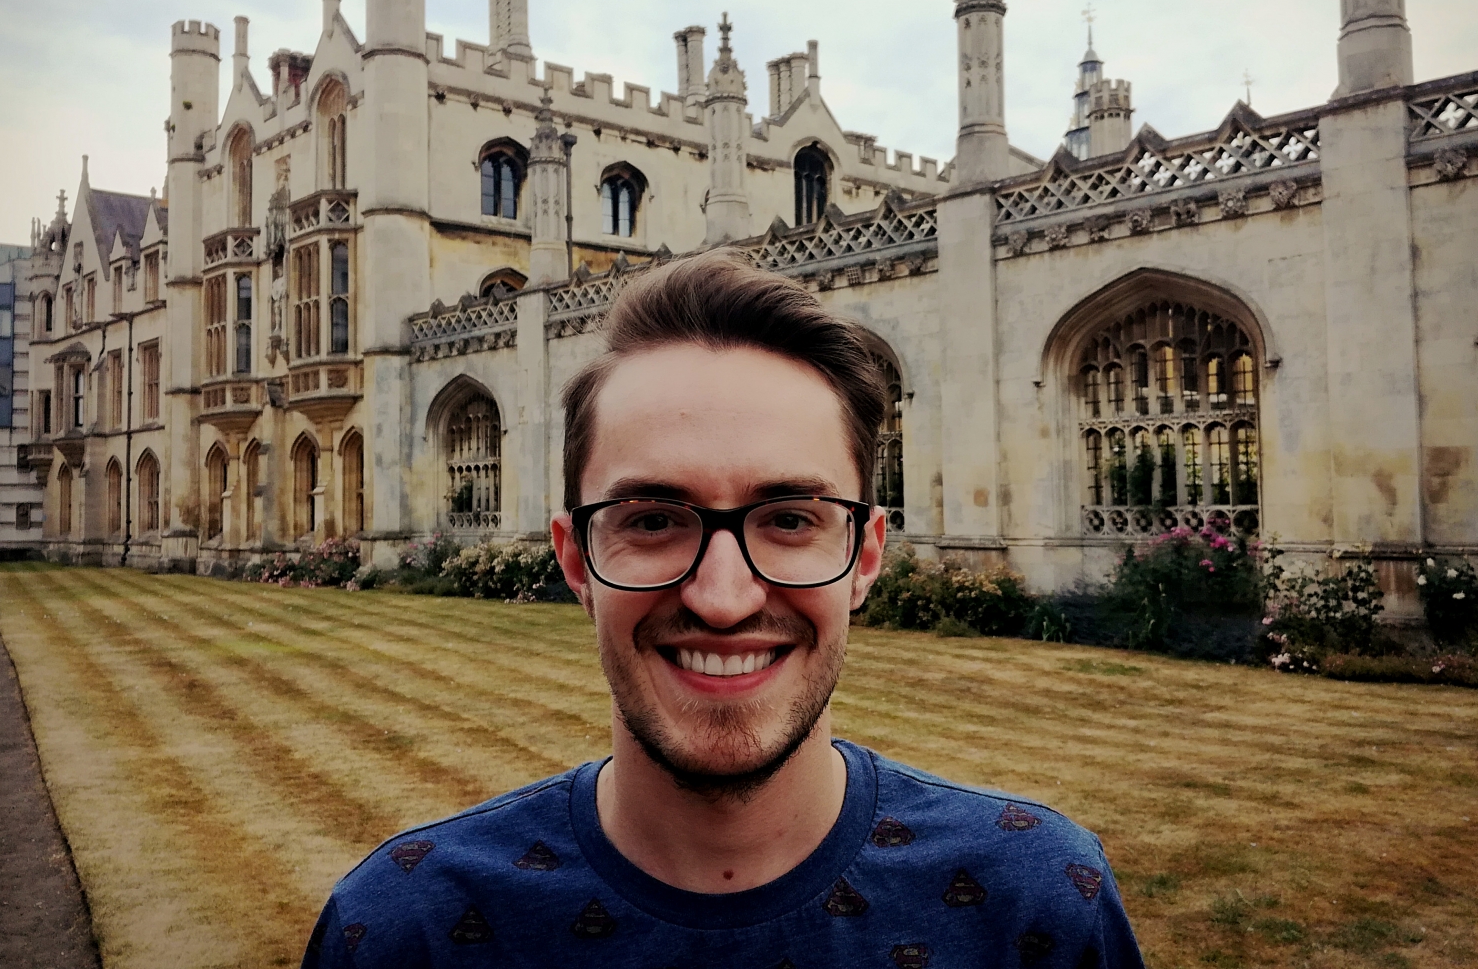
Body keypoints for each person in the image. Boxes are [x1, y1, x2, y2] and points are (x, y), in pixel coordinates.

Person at [302, 250, 1144, 968]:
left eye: (790, 519)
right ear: (576, 559)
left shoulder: (1036, 905)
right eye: (652, 521)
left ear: (866, 556)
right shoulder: (403, 929)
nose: (723, 597)